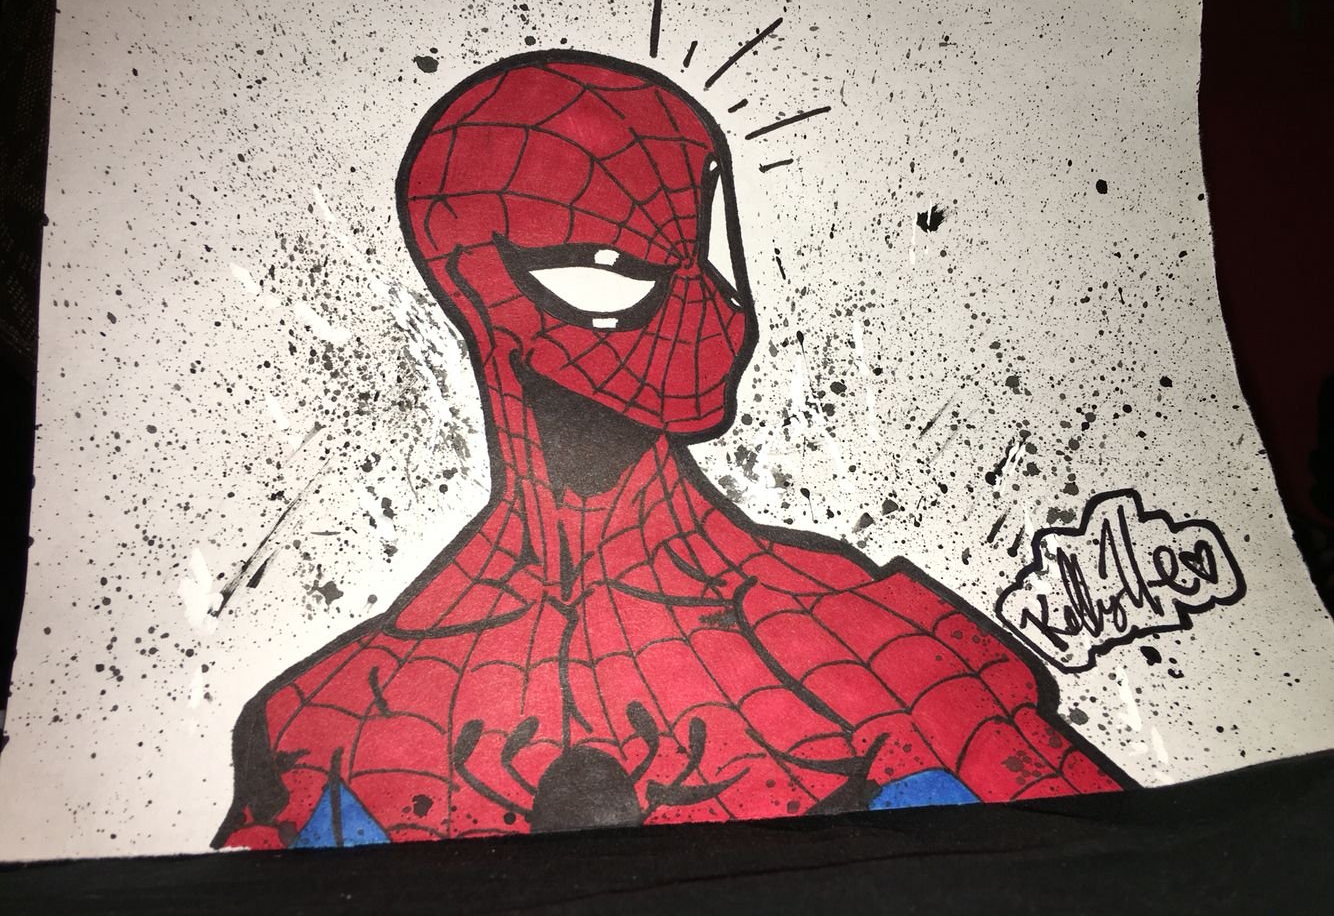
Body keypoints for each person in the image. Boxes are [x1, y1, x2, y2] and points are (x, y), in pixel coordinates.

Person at [215, 52, 1127, 849]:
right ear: (477, 284)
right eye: (617, 271)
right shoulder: (339, 725)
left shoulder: (870, 645)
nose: (717, 314)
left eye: (706, 250)